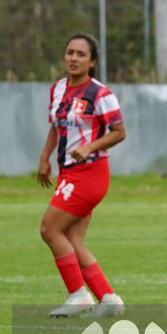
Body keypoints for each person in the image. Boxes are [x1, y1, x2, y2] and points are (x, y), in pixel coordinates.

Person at [38, 33, 127, 319]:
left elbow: (119, 132)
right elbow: (56, 126)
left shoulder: (101, 94)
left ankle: (78, 294)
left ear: (92, 62)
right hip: (68, 173)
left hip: (90, 173)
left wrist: (89, 146)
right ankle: (108, 298)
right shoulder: (58, 89)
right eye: (70, 52)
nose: (73, 58)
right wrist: (44, 157)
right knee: (72, 242)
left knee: (49, 229)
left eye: (80, 54)